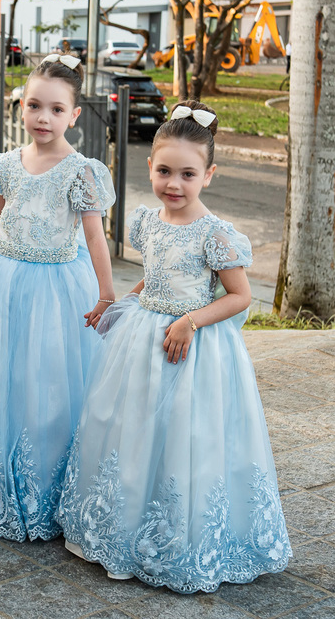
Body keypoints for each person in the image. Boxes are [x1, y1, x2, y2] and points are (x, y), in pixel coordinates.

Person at [56, 101, 291, 591]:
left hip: (192, 349)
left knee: (187, 436)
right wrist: (120, 305)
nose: (174, 184)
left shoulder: (216, 234)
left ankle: (182, 539)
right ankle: (125, 528)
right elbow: (155, 277)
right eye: (165, 171)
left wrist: (190, 322)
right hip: (144, 339)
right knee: (134, 429)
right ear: (150, 167)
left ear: (210, 175)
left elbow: (240, 296)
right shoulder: (148, 222)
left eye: (188, 173)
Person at [0, 54, 116, 542]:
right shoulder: (7, 163)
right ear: (21, 107)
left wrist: (107, 291)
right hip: (2, 279)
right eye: (34, 106)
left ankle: (43, 484)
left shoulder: (82, 172)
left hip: (57, 288)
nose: (43, 118)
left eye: (56, 109)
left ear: (74, 115)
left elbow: (95, 237)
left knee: (46, 381)